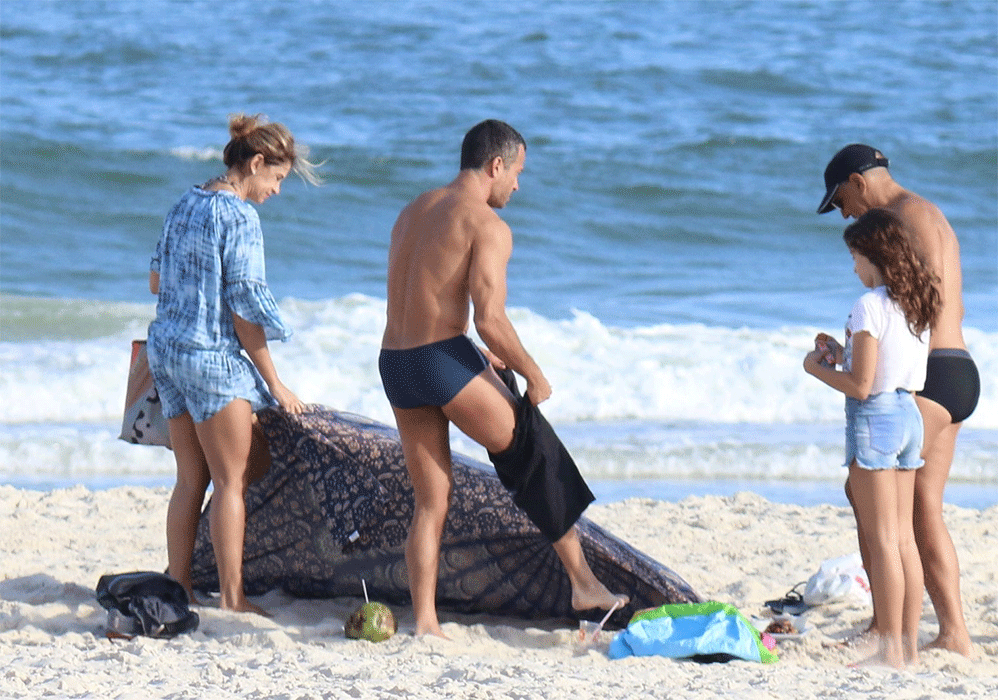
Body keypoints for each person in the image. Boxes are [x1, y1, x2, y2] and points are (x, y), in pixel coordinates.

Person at [379, 119, 627, 638]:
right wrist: (533, 373)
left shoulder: (414, 209)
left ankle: (425, 622)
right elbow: (490, 317)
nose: (518, 185)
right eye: (517, 172)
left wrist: (477, 356)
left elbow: (427, 301)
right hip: (440, 360)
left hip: (396, 360)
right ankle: (582, 582)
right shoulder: (487, 224)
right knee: (534, 452)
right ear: (497, 165)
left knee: (431, 500)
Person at [147, 114, 320, 615]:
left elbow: (157, 282)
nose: (277, 191)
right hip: (210, 361)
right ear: (257, 163)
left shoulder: (186, 201)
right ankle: (233, 597)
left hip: (168, 351)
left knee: (188, 479)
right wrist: (276, 383)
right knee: (230, 482)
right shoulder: (240, 218)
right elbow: (245, 313)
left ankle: (179, 583)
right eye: (278, 179)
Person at [817, 144, 980, 656]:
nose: (843, 212)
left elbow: (914, 308)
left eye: (839, 199)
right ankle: (952, 634)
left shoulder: (899, 218)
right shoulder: (928, 213)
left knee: (868, 494)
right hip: (957, 368)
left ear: (858, 182)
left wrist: (858, 359)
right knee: (922, 508)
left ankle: (886, 626)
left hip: (927, 377)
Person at [804, 208, 941, 667]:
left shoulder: (869, 305)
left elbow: (862, 386)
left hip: (875, 418)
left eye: (856, 257)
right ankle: (905, 647)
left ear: (875, 256)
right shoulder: (917, 301)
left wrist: (816, 369)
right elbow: (884, 368)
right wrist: (841, 354)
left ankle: (889, 648)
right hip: (908, 415)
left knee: (882, 540)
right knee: (903, 539)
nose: (854, 267)